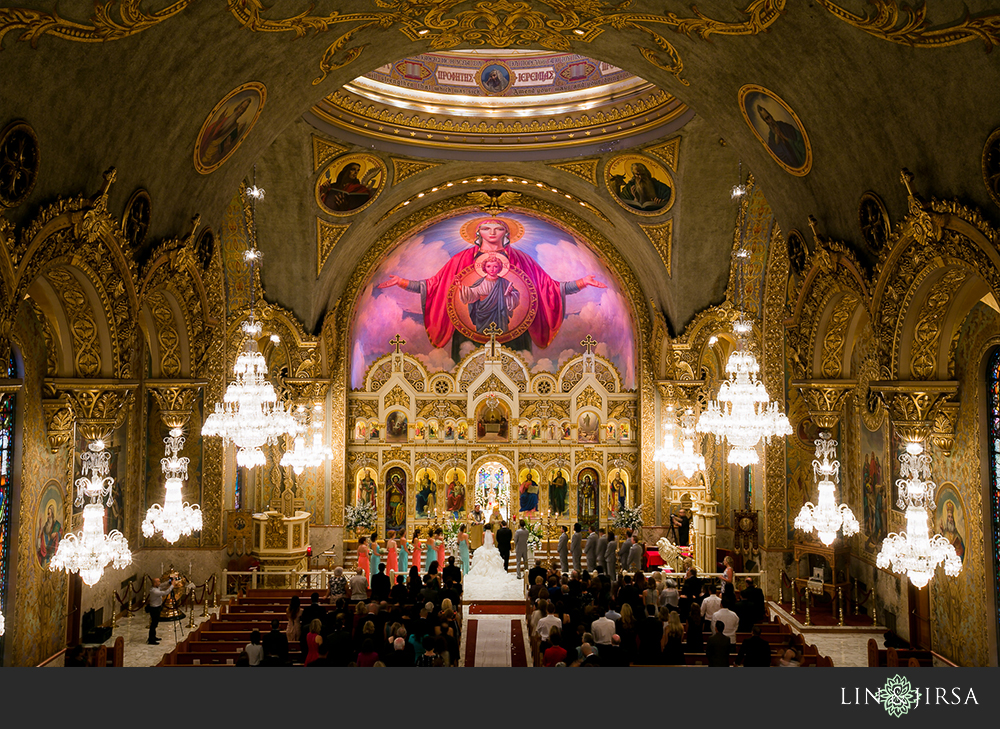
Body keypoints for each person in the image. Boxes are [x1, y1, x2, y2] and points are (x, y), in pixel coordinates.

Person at [378, 217, 605, 363]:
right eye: (487, 228)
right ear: (479, 233)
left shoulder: (521, 259)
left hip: (512, 329)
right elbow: (435, 285)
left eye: (498, 228)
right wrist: (402, 282)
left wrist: (582, 282)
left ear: (507, 233)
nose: (493, 232)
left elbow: (549, 288)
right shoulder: (462, 259)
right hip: (470, 328)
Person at [145, 576, 173, 644]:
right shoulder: (154, 591)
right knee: (153, 624)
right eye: (158, 581)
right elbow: (165, 592)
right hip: (154, 608)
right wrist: (172, 585)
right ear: (155, 583)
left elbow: (162, 585)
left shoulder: (156, 588)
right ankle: (151, 639)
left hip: (157, 607)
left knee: (155, 623)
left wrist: (169, 581)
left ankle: (153, 636)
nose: (160, 583)